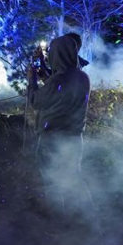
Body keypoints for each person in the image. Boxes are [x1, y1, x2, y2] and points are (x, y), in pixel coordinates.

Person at [27, 33, 92, 220]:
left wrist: (32, 80)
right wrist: (47, 75)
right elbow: (62, 90)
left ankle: (58, 224)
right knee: (74, 179)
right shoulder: (82, 77)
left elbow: (35, 101)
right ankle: (88, 218)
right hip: (73, 139)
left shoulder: (58, 80)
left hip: (52, 139)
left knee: (52, 182)